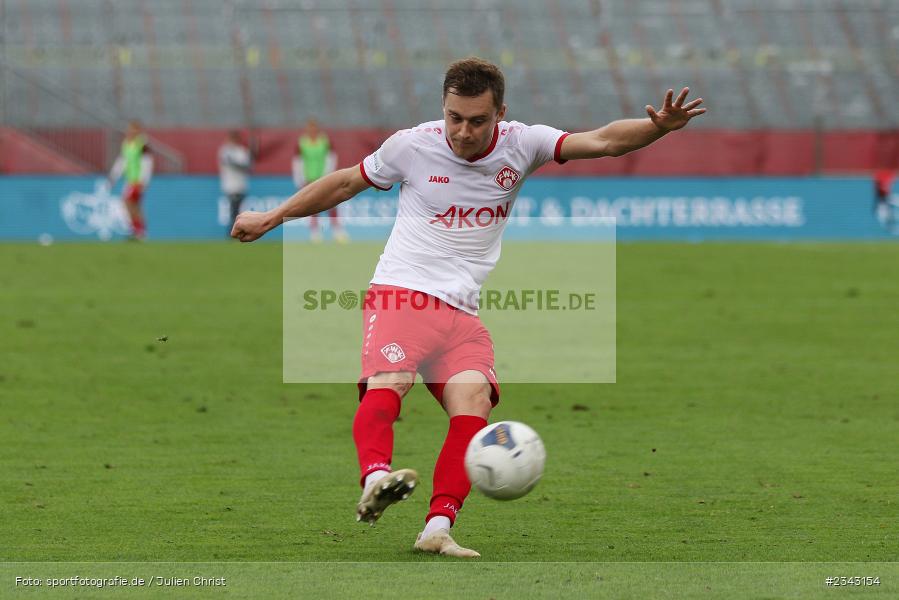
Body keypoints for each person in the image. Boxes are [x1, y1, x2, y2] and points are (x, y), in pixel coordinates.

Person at [232, 57, 705, 557]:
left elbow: (604, 141)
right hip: (402, 294)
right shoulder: (413, 145)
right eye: (454, 117)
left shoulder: (524, 143)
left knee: (474, 402)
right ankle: (375, 479)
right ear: (443, 108)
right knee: (390, 382)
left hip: (462, 313)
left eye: (477, 120)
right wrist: (274, 216)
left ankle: (437, 528)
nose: (462, 131)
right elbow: (346, 182)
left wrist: (657, 127)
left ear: (500, 112)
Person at [292, 118, 348, 243]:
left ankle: (337, 231)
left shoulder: (324, 141)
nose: (312, 130)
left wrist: (329, 173)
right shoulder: (302, 142)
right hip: (309, 179)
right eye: (310, 128)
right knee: (312, 205)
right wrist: (299, 178)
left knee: (332, 202)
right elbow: (298, 161)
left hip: (324, 178)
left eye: (314, 127)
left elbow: (331, 158)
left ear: (317, 128)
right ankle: (315, 232)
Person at [107, 120, 153, 240]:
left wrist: (144, 181)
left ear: (139, 131)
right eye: (130, 130)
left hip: (137, 181)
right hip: (130, 180)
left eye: (134, 130)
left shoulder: (142, 144)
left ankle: (137, 230)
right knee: (134, 205)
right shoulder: (126, 144)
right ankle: (139, 232)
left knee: (127, 202)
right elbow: (122, 162)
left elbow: (147, 163)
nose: (131, 132)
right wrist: (113, 177)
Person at [219, 130, 253, 233]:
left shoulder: (241, 151)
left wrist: (235, 163)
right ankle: (233, 232)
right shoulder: (225, 151)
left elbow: (247, 165)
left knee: (237, 210)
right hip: (230, 185)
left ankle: (235, 231)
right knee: (234, 210)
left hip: (240, 185)